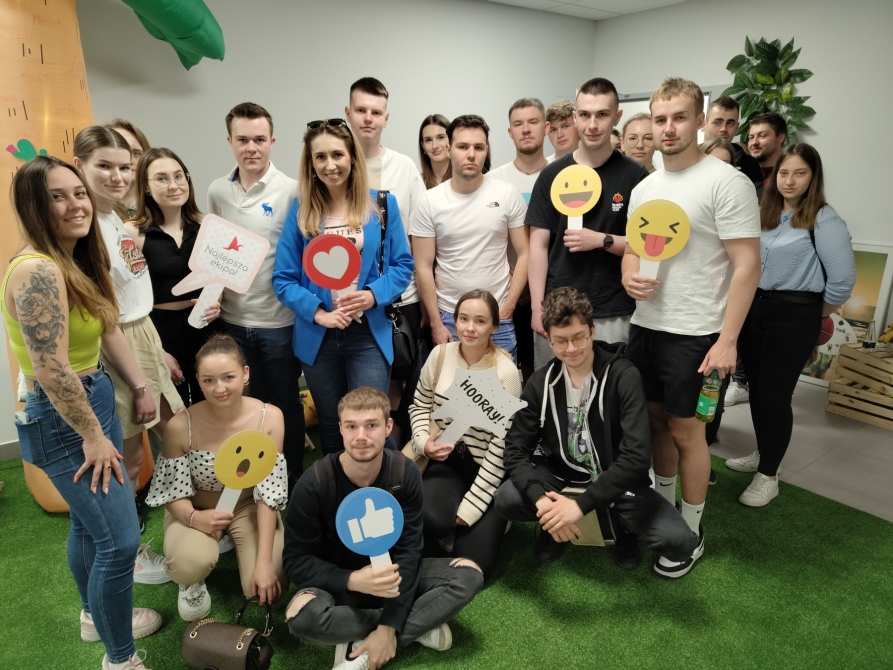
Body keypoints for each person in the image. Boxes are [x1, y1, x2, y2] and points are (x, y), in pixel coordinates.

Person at [4, 156, 161, 670]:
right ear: (33, 205)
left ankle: (95, 617)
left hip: (91, 395)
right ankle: (121, 659)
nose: (76, 204)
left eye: (78, 193)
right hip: (65, 414)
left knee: (90, 527)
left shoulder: (72, 259)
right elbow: (51, 370)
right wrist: (93, 435)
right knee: (121, 541)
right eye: (57, 196)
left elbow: (105, 325)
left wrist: (138, 386)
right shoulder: (38, 270)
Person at [621, 78, 761, 574]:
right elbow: (634, 248)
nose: (668, 128)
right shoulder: (646, 187)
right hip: (647, 326)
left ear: (700, 121)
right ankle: (664, 517)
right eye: (660, 119)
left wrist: (728, 341)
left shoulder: (727, 183)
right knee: (656, 425)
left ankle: (691, 530)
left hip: (697, 333)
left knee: (688, 433)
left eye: (679, 117)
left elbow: (748, 264)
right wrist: (629, 276)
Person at [495, 288, 700, 576]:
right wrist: (545, 505)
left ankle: (619, 526)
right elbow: (515, 450)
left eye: (578, 337)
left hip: (618, 482)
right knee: (507, 498)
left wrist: (579, 507)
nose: (571, 349)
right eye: (561, 341)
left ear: (592, 331)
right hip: (561, 477)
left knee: (679, 542)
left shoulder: (623, 376)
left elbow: (637, 458)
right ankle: (553, 525)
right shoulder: (540, 382)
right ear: (549, 340)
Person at [283, 387, 484, 670]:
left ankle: (366, 642)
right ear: (340, 429)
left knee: (469, 575)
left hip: (393, 576)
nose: (361, 436)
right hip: (340, 585)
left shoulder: (405, 472)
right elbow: (295, 562)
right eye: (351, 426)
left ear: (388, 427)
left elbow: (410, 552)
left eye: (371, 425)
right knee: (300, 616)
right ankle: (417, 624)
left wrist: (388, 628)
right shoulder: (314, 482)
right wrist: (352, 580)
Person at [272, 120, 414, 455]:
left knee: (371, 421)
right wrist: (319, 314)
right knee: (331, 424)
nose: (330, 165)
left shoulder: (381, 205)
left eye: (337, 154)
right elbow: (283, 278)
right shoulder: (301, 210)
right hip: (318, 337)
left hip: (368, 334)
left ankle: (385, 483)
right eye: (320, 157)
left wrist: (372, 296)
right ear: (311, 163)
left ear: (352, 156)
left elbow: (402, 266)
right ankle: (337, 486)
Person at [73, 126, 189, 531]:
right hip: (118, 342)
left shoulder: (114, 216)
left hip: (142, 333)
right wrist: (140, 385)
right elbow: (106, 316)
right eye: (104, 166)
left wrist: (156, 351)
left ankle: (183, 510)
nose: (117, 176)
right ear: (79, 166)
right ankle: (125, 539)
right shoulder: (86, 225)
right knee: (130, 454)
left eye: (124, 167)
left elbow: (132, 291)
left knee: (174, 427)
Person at [727, 144, 855, 506]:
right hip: (754, 309)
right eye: (784, 173)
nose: (790, 180)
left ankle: (769, 475)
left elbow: (842, 281)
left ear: (813, 177)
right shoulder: (763, 214)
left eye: (800, 173)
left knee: (775, 395)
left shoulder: (824, 220)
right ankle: (765, 452)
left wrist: (815, 315)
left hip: (796, 313)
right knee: (756, 388)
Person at [145, 334, 288, 620]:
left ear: (245, 374)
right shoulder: (180, 426)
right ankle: (191, 581)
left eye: (228, 377)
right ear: (198, 380)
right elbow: (172, 493)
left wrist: (264, 563)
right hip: (195, 507)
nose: (219, 388)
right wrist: (193, 518)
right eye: (209, 380)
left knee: (265, 590)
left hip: (248, 505)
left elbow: (269, 493)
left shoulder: (270, 417)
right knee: (188, 565)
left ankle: (239, 545)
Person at [207, 102, 305, 490]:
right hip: (232, 320)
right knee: (249, 406)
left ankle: (292, 474)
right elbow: (215, 252)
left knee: (285, 403)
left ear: (272, 142)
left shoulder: (293, 190)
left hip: (279, 321)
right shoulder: (218, 190)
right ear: (229, 141)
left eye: (260, 139)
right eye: (243, 139)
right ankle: (258, 473)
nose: (252, 147)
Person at [527, 78, 649, 370]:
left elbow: (646, 245)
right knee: (552, 390)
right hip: (555, 309)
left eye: (602, 115)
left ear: (617, 117)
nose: (592, 125)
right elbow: (538, 246)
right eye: (585, 115)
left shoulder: (636, 176)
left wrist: (602, 240)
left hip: (612, 310)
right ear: (575, 117)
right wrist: (536, 306)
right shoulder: (551, 175)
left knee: (610, 388)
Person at [408, 290, 521, 579]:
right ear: (455, 321)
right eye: (463, 319)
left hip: (486, 468)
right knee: (429, 520)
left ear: (494, 327)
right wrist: (422, 443)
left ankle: (489, 516)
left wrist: (472, 506)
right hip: (445, 461)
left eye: (480, 321)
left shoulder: (506, 372)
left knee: (472, 566)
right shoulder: (439, 354)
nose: (470, 328)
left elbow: (501, 449)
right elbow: (419, 405)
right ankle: (447, 514)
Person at [345, 77, 427, 448]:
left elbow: (418, 235)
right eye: (361, 110)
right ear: (348, 113)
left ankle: (400, 457)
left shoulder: (404, 167)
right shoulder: (335, 167)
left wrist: (424, 297)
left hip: (400, 297)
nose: (368, 118)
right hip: (350, 302)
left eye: (376, 112)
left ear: (386, 118)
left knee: (402, 384)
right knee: (363, 390)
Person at [412, 114, 529, 362]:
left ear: (486, 150)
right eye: (463, 146)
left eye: (479, 147)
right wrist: (435, 323)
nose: (471, 154)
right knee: (450, 386)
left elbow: (526, 253)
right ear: (448, 149)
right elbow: (422, 265)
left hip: (498, 317)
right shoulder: (429, 201)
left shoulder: (507, 194)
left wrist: (508, 306)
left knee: (503, 385)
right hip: (449, 318)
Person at [127, 147, 222, 408]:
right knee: (175, 415)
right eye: (161, 178)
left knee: (213, 409)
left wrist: (217, 302)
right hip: (160, 332)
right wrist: (158, 352)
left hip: (205, 329)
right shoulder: (132, 233)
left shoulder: (207, 227)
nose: (173, 185)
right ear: (145, 187)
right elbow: (127, 299)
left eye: (179, 176)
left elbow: (220, 278)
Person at [489, 97, 551, 378]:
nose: (526, 129)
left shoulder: (563, 175)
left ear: (546, 127)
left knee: (549, 368)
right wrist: (516, 281)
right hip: (508, 289)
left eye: (533, 122)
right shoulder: (494, 180)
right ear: (510, 132)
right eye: (518, 124)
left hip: (551, 287)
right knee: (512, 370)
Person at [702, 97, 764, 199]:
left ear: (736, 128)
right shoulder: (687, 159)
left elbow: (757, 201)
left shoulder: (749, 164)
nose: (723, 129)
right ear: (704, 125)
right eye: (717, 122)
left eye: (730, 123)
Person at [106, 119, 151, 220]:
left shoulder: (163, 205)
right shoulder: (91, 209)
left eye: (136, 153)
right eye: (120, 152)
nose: (129, 161)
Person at [748, 112, 787, 183]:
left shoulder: (789, 176)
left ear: (780, 138)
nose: (754, 142)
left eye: (762, 135)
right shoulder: (743, 173)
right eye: (751, 137)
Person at [418, 114, 452, 189]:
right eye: (428, 140)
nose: (434, 146)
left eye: (440, 137)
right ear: (423, 146)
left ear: (451, 139)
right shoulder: (417, 183)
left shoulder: (464, 180)